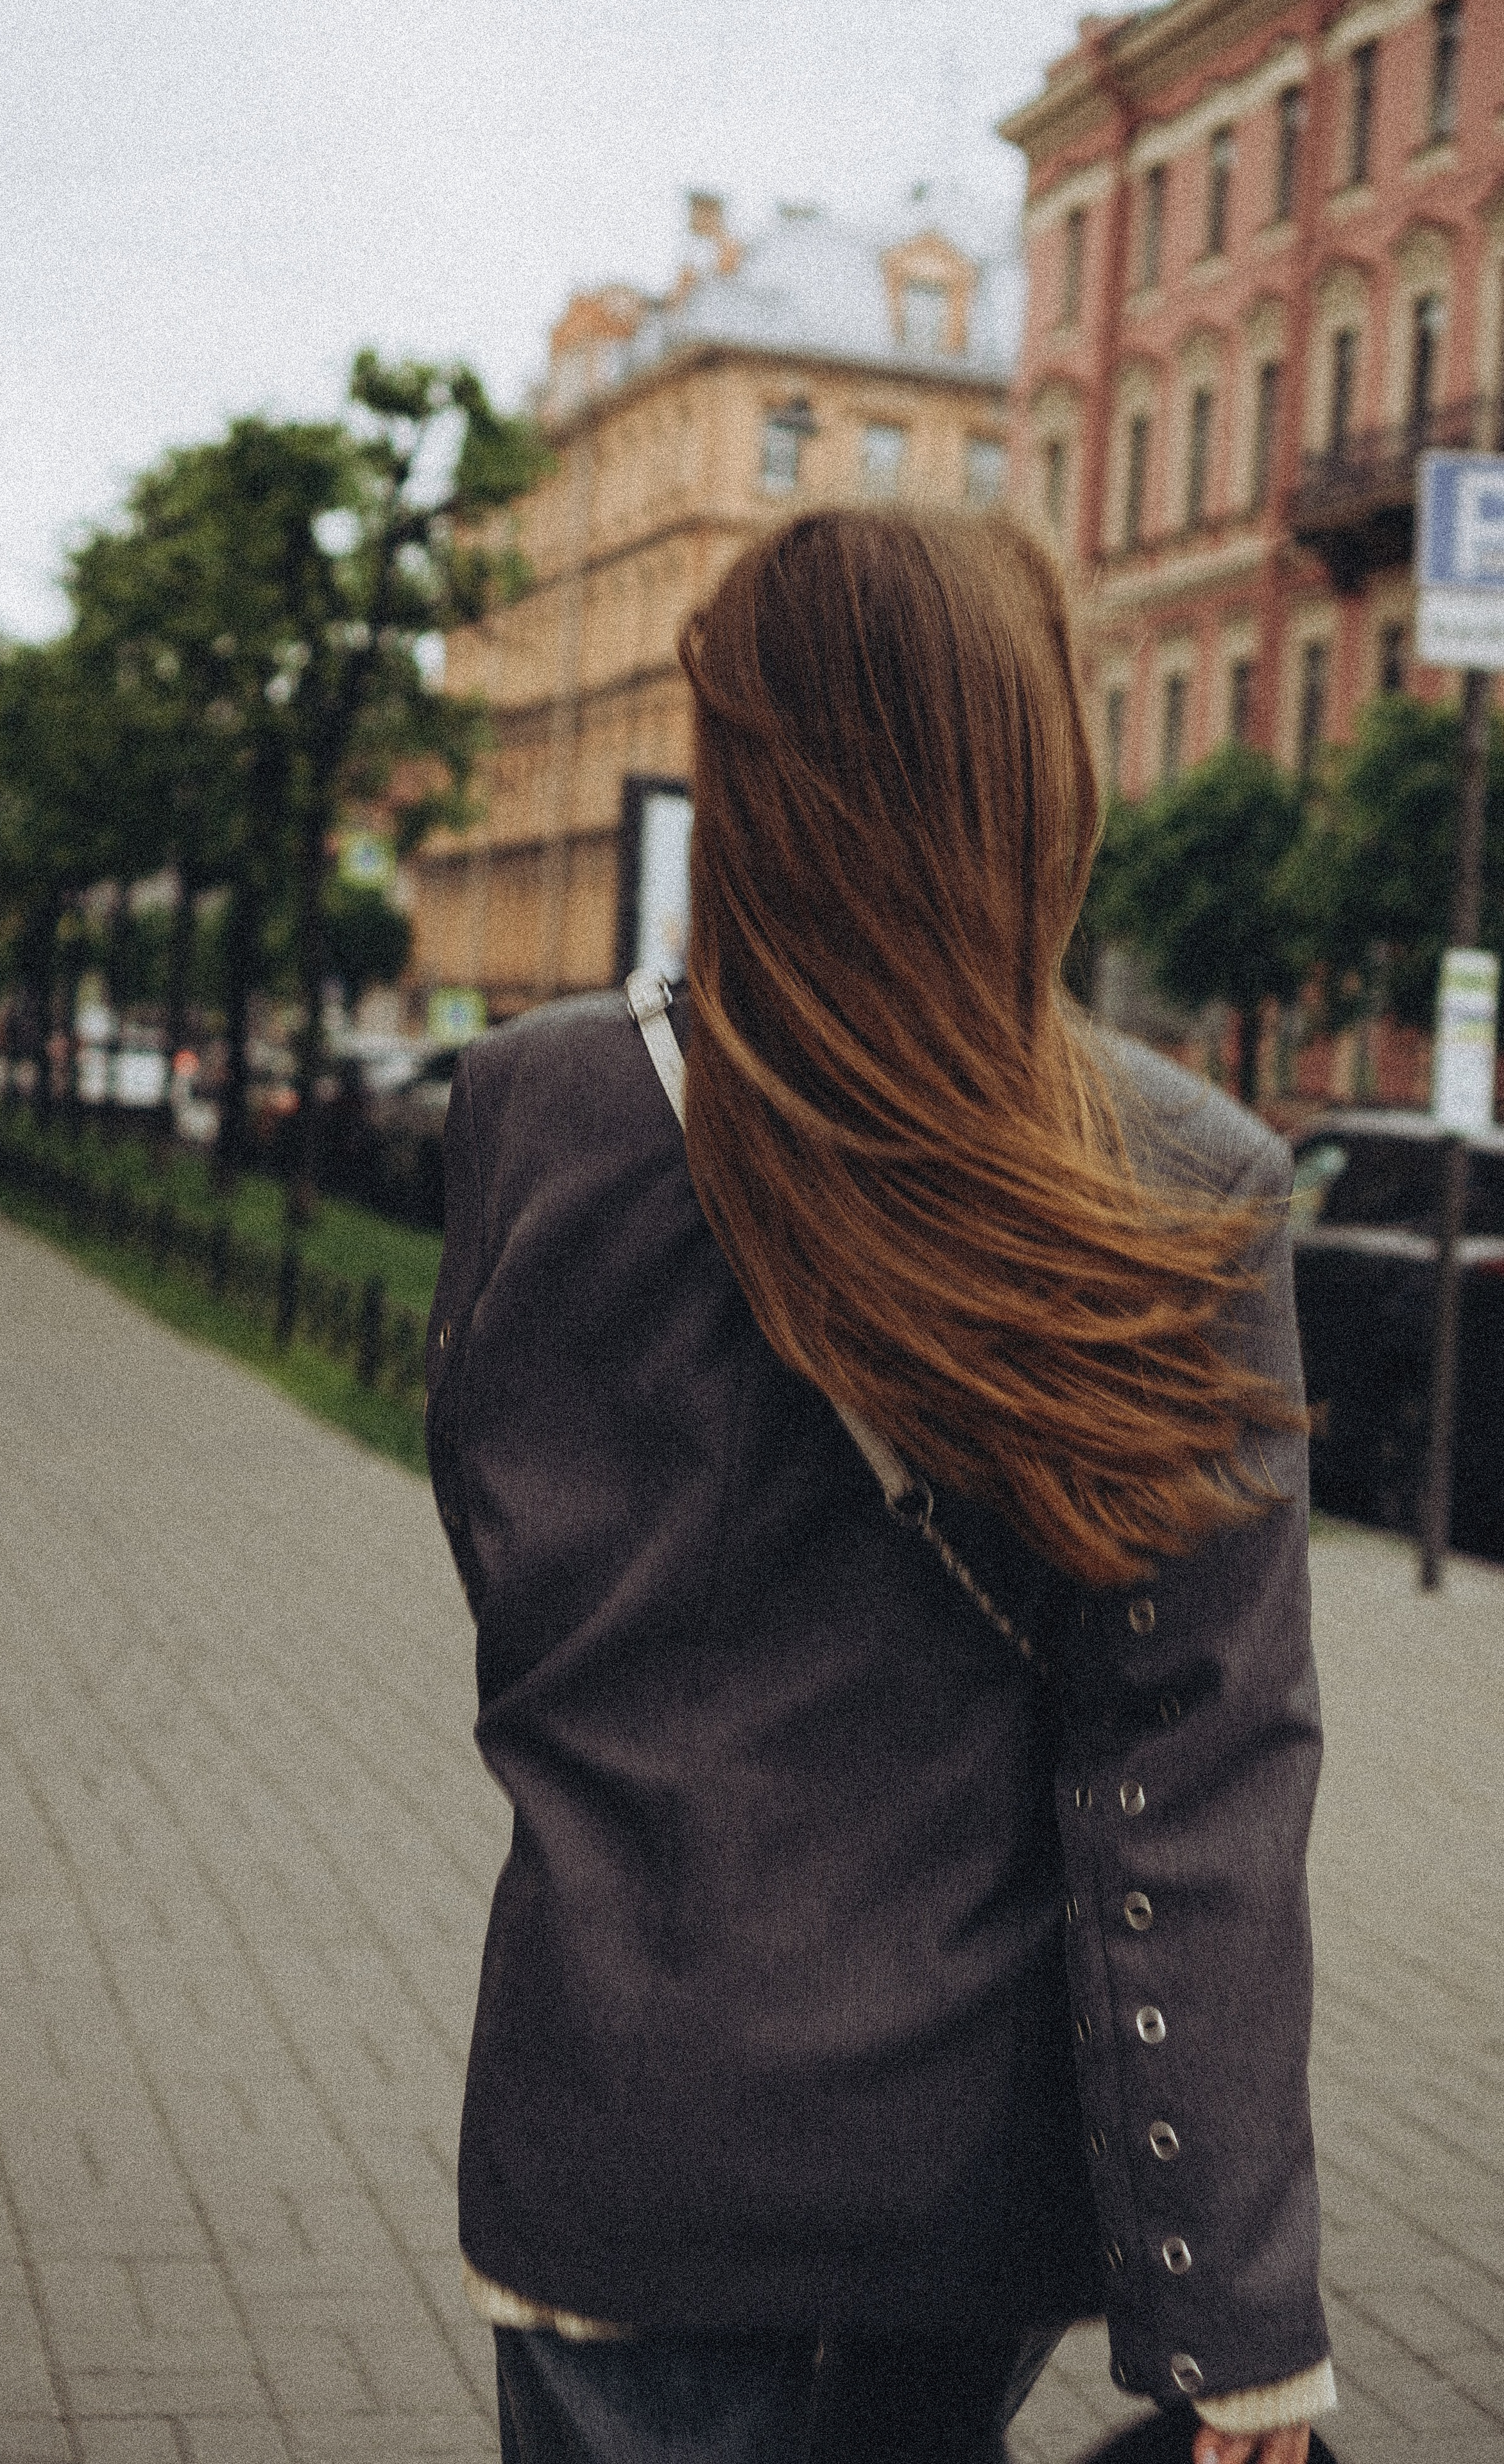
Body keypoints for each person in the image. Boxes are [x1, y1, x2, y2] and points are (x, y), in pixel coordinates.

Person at [425, 510, 1333, 2464]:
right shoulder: (1179, 1180)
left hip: (621, 2121)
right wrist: (1238, 2314)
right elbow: (1198, 1776)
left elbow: (509, 1567)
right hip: (969, 2162)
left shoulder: (542, 1109)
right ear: (1038, 777)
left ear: (743, 779)